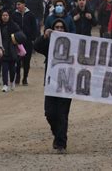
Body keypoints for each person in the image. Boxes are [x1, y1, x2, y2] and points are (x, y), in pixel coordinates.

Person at [34, 18, 72, 154]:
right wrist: (44, 36)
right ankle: (58, 135)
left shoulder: (73, 45)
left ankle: (61, 144)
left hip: (67, 86)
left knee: (62, 114)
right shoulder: (50, 44)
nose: (60, 30)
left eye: (62, 27)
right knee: (49, 113)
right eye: (57, 27)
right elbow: (36, 47)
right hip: (51, 84)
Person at [12, 0, 37, 86]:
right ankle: (17, 76)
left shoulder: (30, 15)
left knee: (27, 61)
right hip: (17, 41)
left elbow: (34, 28)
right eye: (17, 4)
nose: (17, 6)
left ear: (24, 5)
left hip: (28, 41)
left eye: (19, 4)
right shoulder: (14, 15)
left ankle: (25, 77)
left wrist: (33, 38)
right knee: (17, 60)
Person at [0, 10, 21, 92]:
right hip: (3, 49)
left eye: (6, 15)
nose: (4, 17)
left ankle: (12, 81)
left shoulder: (14, 25)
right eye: (3, 15)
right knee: (4, 68)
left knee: (12, 68)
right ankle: (5, 84)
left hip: (12, 49)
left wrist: (14, 38)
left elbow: (20, 35)